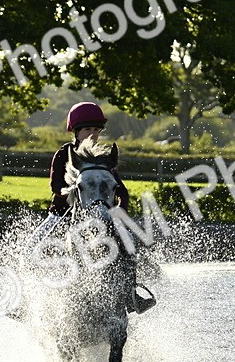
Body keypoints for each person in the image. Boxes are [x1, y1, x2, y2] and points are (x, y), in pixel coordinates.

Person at [31, 101, 154, 314]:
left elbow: (121, 190)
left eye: (96, 130)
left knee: (128, 245)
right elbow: (55, 185)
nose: (93, 134)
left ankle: (130, 295)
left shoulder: (103, 160)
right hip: (63, 213)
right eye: (88, 129)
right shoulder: (64, 153)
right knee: (33, 246)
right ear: (76, 131)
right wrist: (73, 193)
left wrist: (120, 210)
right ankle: (28, 300)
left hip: (101, 214)